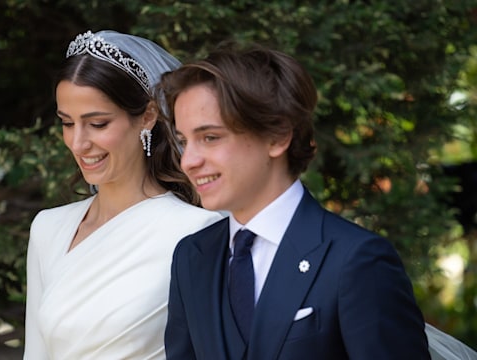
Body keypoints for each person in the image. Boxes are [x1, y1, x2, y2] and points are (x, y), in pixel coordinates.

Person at [159, 43, 433, 359]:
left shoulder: (357, 261)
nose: (188, 161)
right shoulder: (192, 257)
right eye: (183, 141)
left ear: (277, 135)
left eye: (210, 138)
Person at [23, 30, 222, 359]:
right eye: (67, 123)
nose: (77, 143)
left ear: (147, 116)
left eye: (97, 124)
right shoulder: (48, 228)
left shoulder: (197, 231)